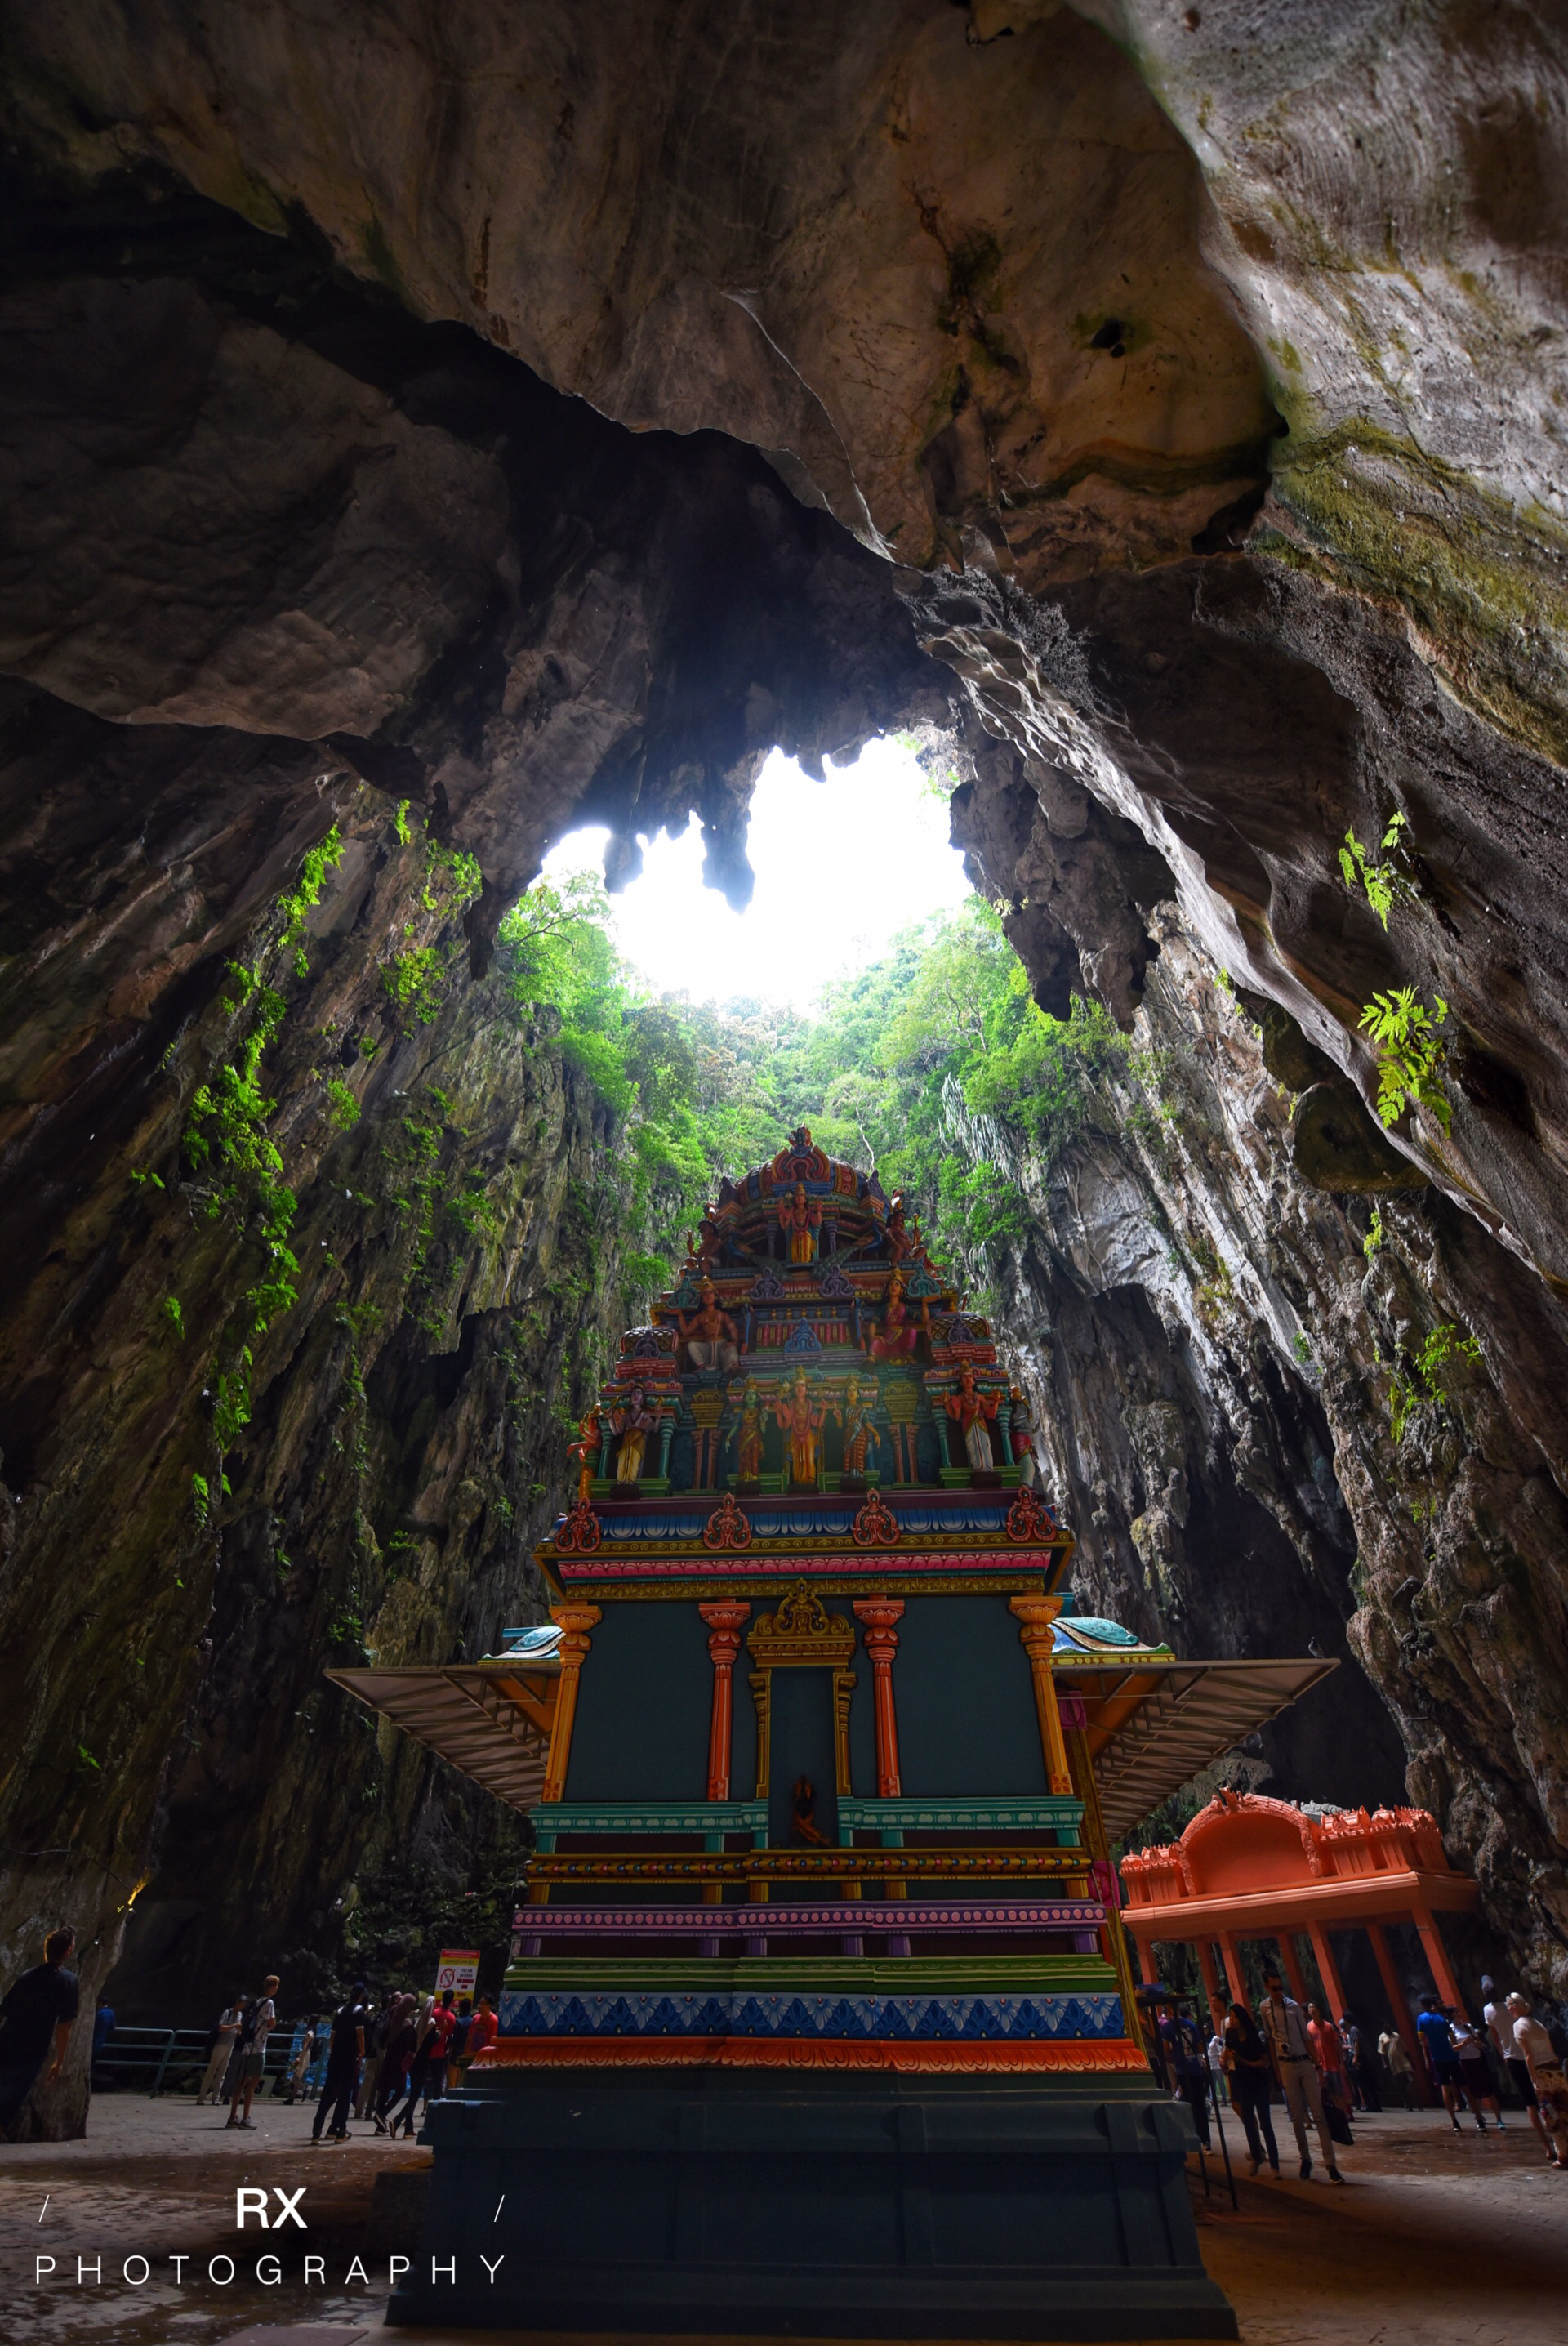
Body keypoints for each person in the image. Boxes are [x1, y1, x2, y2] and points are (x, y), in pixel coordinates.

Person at [1259, 1966, 1343, 2181]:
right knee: (1296, 2116)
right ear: (1267, 1987)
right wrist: (1276, 2069)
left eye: (1280, 1986)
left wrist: (1318, 2067)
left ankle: (1330, 2164)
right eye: (1274, 1987)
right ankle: (1305, 2158)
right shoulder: (1265, 2008)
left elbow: (1307, 2039)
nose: (1278, 1991)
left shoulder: (1294, 2007)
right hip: (1285, 2064)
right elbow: (1269, 2039)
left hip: (1304, 2061)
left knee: (1318, 2114)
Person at [0, 1928, 79, 2134]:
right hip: (32, 2047)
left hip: (7, 2039)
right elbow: (65, 2026)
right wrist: (58, 2063)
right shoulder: (68, 1981)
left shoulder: (26, 1976)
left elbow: (5, 2010)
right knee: (11, 2096)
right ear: (69, 1950)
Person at [1486, 1980, 1550, 2154]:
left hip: (1518, 2059)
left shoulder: (1515, 2024)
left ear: (1514, 2007)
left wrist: (1504, 2055)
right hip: (1534, 2060)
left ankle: (1547, 2146)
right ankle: (1557, 2139)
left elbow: (1497, 2038)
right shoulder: (1536, 2023)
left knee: (1531, 2102)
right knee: (1544, 2100)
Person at [1506, 1992, 1568, 2169]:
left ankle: (1563, 2155)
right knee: (1565, 2111)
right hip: (1555, 2069)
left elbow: (1528, 2056)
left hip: (1542, 2073)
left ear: (1515, 2006)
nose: (1508, 2009)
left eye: (1509, 2005)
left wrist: (1534, 2081)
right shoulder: (1538, 2024)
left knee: (1550, 2114)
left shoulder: (1519, 2026)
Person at [1223, 1998, 1280, 2177]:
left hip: (1258, 2082)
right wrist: (1228, 2057)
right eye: (1230, 2016)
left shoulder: (1254, 2036)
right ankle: (1256, 2156)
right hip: (1242, 2082)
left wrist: (1249, 2063)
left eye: (1234, 2017)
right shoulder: (1230, 2036)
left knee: (1265, 2124)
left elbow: (1265, 2060)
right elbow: (1226, 2055)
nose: (1232, 2020)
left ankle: (1275, 2166)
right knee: (1248, 2122)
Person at [387, 1992, 456, 2139]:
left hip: (414, 2061)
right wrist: (441, 2031)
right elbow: (432, 2042)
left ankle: (409, 2128)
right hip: (425, 2061)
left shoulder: (418, 2022)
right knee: (415, 2096)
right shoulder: (431, 2023)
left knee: (414, 2093)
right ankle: (397, 2121)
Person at [312, 1981, 368, 2143]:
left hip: (335, 2057)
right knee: (345, 2095)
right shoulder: (359, 2011)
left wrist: (333, 2051)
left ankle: (317, 2132)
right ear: (361, 1996)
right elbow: (360, 2034)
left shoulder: (340, 2011)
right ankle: (341, 2131)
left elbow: (333, 2035)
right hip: (349, 2058)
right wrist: (362, 2052)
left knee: (328, 2093)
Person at [1157, 1999, 1210, 2151]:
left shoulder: (1168, 2027)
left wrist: (1175, 2058)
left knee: (1185, 2104)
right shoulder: (1191, 2025)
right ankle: (1206, 2140)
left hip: (1182, 2069)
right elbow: (1200, 2048)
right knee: (1199, 2104)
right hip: (1195, 2068)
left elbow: (1166, 2050)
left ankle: (1190, 2136)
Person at [227, 1974, 278, 2130]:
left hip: (247, 2047)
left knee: (241, 2083)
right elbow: (272, 2024)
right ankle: (246, 2118)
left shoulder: (257, 2001)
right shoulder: (269, 2003)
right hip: (258, 2048)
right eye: (276, 1986)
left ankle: (232, 2117)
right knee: (252, 2084)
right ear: (272, 1987)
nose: (277, 1989)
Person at [1416, 1996, 1466, 2130]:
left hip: (1437, 2055)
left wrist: (1428, 2053)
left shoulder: (1423, 2019)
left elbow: (1422, 2041)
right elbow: (1452, 2037)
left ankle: (1455, 2118)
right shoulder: (1441, 2018)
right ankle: (1476, 2115)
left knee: (1445, 2085)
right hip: (1450, 2052)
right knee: (1457, 2082)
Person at [1307, 2001, 1352, 2127]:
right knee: (1330, 2094)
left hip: (1333, 2065)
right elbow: (1309, 2046)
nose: (1311, 2010)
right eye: (1310, 2008)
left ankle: (1344, 2116)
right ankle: (1338, 2118)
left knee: (1339, 2094)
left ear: (1318, 2010)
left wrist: (1341, 2063)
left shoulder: (1328, 2026)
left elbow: (1337, 2045)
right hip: (1321, 2066)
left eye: (1313, 2007)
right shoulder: (1309, 2027)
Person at [1451, 2015, 1502, 2130]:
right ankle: (1479, 2116)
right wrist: (1464, 2044)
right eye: (1455, 2013)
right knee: (1472, 2091)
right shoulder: (1451, 2029)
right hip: (1465, 2062)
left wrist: (1475, 2042)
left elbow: (1480, 2043)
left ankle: (1499, 2119)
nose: (1458, 2015)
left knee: (1489, 2090)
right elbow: (1453, 2048)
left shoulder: (1468, 2026)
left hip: (1478, 2060)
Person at [197, 1994, 243, 2107]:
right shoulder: (227, 2013)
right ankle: (201, 2098)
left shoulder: (240, 2015)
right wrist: (234, 2026)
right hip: (221, 2044)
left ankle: (215, 2098)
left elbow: (238, 2031)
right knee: (211, 2071)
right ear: (238, 2002)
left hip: (230, 2045)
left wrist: (239, 2031)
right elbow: (221, 2027)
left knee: (222, 2073)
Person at [1379, 2023, 1414, 2109]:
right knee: (1401, 2084)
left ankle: (1411, 2096)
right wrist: (1384, 2063)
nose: (1388, 2028)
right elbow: (1382, 2052)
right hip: (1393, 2063)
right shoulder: (1382, 2037)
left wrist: (1411, 2061)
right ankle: (1407, 2102)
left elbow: (1405, 2049)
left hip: (1403, 2061)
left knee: (1411, 2080)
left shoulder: (1396, 2035)